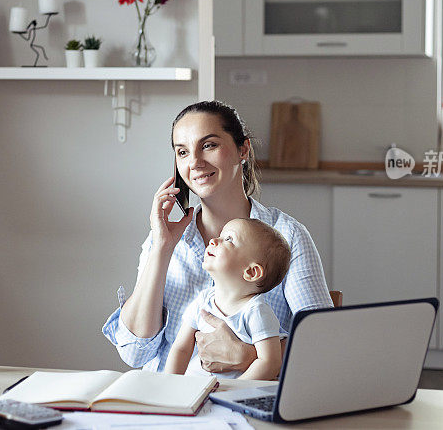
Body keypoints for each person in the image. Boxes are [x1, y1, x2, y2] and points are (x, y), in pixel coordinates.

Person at [102, 100, 332, 375]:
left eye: (209, 145)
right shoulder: (163, 239)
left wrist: (251, 357)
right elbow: (134, 353)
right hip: (170, 403)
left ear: (243, 149)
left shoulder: (287, 235)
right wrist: (162, 248)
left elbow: (322, 344)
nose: (195, 162)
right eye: (183, 152)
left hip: (247, 404)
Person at [164, 218, 291, 380]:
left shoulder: (256, 311)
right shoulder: (203, 300)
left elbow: (270, 362)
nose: (214, 240)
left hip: (229, 396)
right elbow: (181, 348)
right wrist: (170, 384)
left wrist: (232, 392)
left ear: (251, 272)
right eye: (221, 236)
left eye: (229, 239)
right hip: (196, 389)